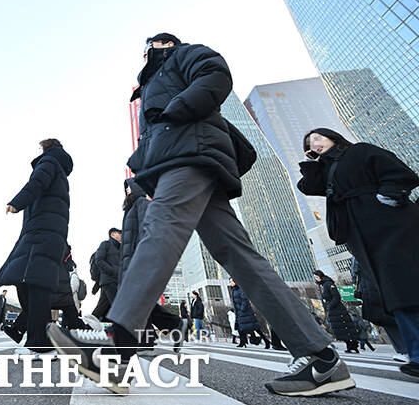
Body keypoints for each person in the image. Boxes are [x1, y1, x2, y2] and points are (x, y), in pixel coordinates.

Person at [47, 33, 354, 396]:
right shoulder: (154, 80)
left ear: (163, 44)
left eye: (149, 45)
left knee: (161, 228)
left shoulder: (182, 56)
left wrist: (175, 111)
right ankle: (321, 357)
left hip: (190, 154)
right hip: (186, 157)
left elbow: (216, 74)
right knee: (241, 257)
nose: (144, 52)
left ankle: (118, 350)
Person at [298, 128, 419, 377]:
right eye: (309, 143)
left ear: (333, 137)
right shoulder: (326, 169)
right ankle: (415, 352)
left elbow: (397, 171)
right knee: (394, 292)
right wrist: (311, 162)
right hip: (362, 235)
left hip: (392, 224)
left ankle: (417, 352)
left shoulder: (360, 151)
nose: (314, 144)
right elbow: (308, 186)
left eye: (318, 138)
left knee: (405, 285)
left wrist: (387, 196)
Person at [0, 138, 73, 356]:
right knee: (28, 283)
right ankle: (37, 338)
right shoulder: (60, 171)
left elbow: (36, 183)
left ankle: (41, 345)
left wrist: (16, 202)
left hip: (40, 231)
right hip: (45, 231)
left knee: (32, 283)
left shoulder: (49, 162)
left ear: (47, 148)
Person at [119, 178, 188, 354]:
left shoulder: (142, 203)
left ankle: (155, 336)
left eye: (129, 187)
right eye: (125, 189)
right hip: (130, 262)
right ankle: (172, 326)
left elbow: (147, 230)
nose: (127, 191)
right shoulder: (130, 210)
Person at [313, 271, 359, 353]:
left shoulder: (328, 284)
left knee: (345, 327)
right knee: (341, 329)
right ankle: (350, 346)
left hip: (338, 310)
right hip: (333, 311)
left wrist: (329, 306)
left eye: (317, 277)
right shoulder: (323, 285)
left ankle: (353, 345)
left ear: (320, 276)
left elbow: (336, 297)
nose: (316, 279)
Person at [52, 245, 87, 330]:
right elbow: (74, 285)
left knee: (70, 317)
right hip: (66, 295)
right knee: (71, 317)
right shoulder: (68, 267)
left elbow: (74, 285)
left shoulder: (68, 269)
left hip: (64, 295)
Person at [90, 228, 121, 321]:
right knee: (118, 306)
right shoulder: (105, 244)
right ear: (112, 234)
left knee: (101, 307)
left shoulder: (120, 248)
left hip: (114, 281)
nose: (121, 235)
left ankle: (88, 325)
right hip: (109, 280)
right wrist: (112, 271)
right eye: (119, 233)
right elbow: (99, 260)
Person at [230, 278, 270, 349]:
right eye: (230, 281)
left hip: (245, 312)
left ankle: (266, 341)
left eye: (232, 281)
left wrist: (242, 309)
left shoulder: (240, 289)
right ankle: (242, 342)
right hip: (239, 312)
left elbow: (244, 300)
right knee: (240, 327)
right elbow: (235, 303)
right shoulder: (233, 290)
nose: (231, 283)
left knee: (255, 327)